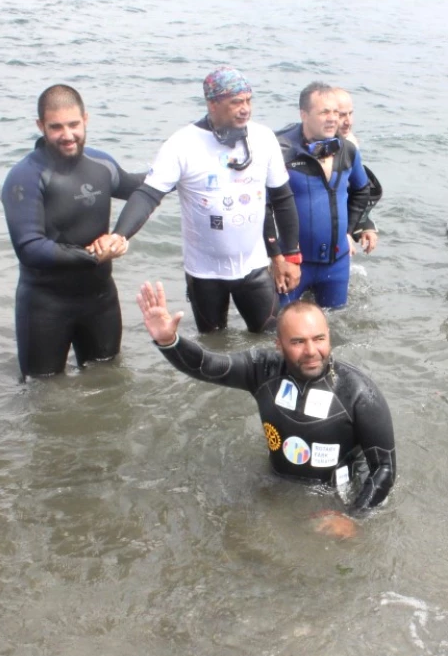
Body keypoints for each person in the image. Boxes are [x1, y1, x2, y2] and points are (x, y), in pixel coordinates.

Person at [136, 281, 395, 533]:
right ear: (278, 345)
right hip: (275, 482)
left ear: (329, 337)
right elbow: (207, 366)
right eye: (297, 342)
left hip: (333, 497)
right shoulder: (262, 369)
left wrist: (352, 517)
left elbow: (384, 468)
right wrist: (170, 341)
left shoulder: (359, 393)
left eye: (319, 339)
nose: (311, 351)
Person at [108, 67, 302, 334]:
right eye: (236, 102)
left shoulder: (264, 138)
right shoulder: (182, 144)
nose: (245, 109)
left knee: (271, 340)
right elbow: (148, 194)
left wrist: (290, 256)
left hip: (254, 268)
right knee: (212, 347)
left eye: (248, 100)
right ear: (212, 103)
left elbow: (282, 199)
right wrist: (120, 235)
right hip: (204, 274)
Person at [1, 85, 146, 378]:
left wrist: (180, 168)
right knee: (43, 396)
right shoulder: (25, 177)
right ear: (40, 126)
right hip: (44, 305)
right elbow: (29, 248)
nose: (67, 135)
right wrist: (95, 255)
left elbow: (140, 188)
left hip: (101, 300)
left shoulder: (101, 164)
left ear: (86, 119)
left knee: (108, 385)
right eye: (56, 127)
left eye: (73, 124)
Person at [275, 82, 373, 308]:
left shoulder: (347, 150)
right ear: (304, 114)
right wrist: (276, 257)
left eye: (335, 113)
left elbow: (362, 189)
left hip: (335, 265)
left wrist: (350, 231)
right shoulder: (282, 150)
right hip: (294, 263)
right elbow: (264, 205)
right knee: (278, 330)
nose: (332, 119)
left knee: (335, 330)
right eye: (324, 112)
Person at [333, 87, 382, 254]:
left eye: (350, 114)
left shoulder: (350, 143)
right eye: (341, 115)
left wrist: (364, 225)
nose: (348, 122)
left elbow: (353, 193)